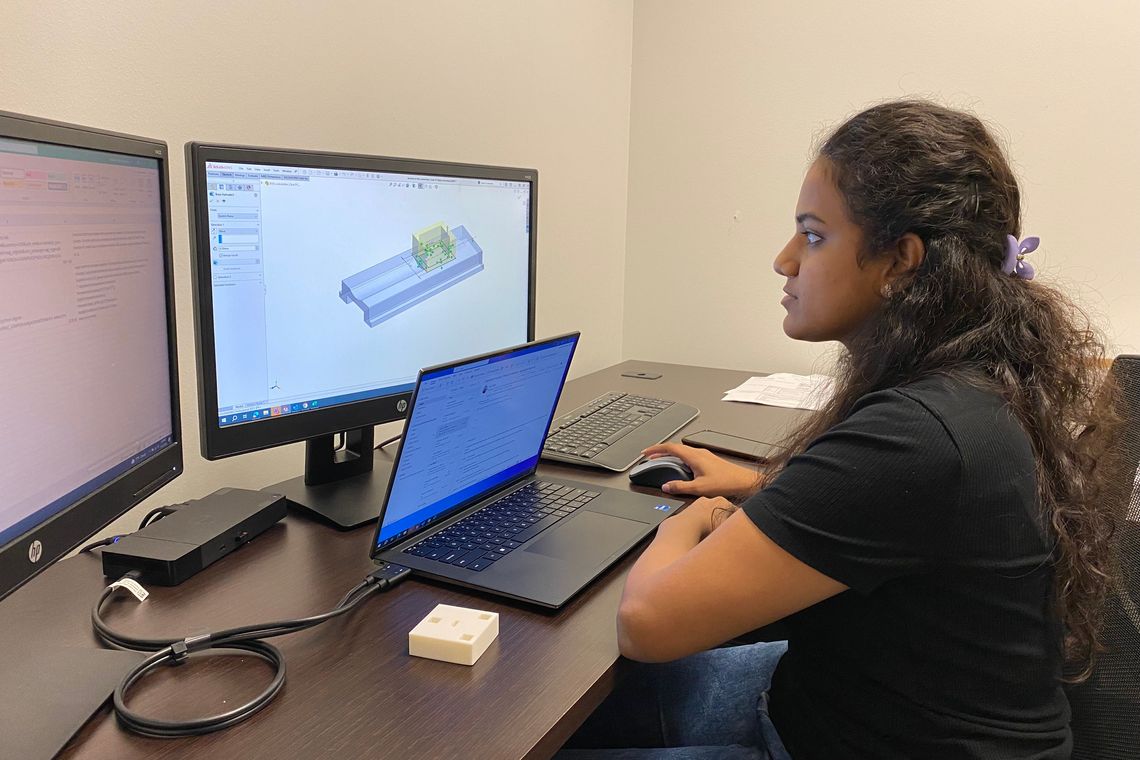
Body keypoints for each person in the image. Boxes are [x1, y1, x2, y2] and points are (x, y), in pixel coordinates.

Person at [557, 100, 1119, 759]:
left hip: (857, 739)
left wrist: (690, 519)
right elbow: (900, 511)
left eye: (814, 235)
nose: (784, 260)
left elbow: (647, 625)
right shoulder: (973, 387)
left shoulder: (920, 436)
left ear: (900, 262)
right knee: (586, 719)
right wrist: (759, 483)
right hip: (844, 705)